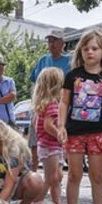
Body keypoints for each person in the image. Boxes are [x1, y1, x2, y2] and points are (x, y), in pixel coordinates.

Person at [57, 29, 102, 204]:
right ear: (80, 52)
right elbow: (64, 102)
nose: (89, 52)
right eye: (85, 48)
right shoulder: (72, 76)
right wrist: (61, 126)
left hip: (98, 134)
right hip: (74, 132)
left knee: (97, 177)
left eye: (94, 48)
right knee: (74, 175)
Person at [30, 29, 72, 171]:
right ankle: (33, 175)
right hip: (41, 105)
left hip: (60, 106)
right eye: (49, 41)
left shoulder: (69, 62)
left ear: (63, 43)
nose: (51, 44)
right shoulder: (43, 60)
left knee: (57, 143)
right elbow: (34, 82)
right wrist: (37, 103)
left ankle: (56, 176)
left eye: (55, 40)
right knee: (35, 142)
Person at [33, 67, 65, 204]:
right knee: (50, 178)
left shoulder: (44, 104)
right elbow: (48, 125)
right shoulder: (52, 104)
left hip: (50, 146)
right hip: (50, 146)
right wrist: (60, 134)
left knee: (57, 177)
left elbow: (38, 125)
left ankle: (57, 203)